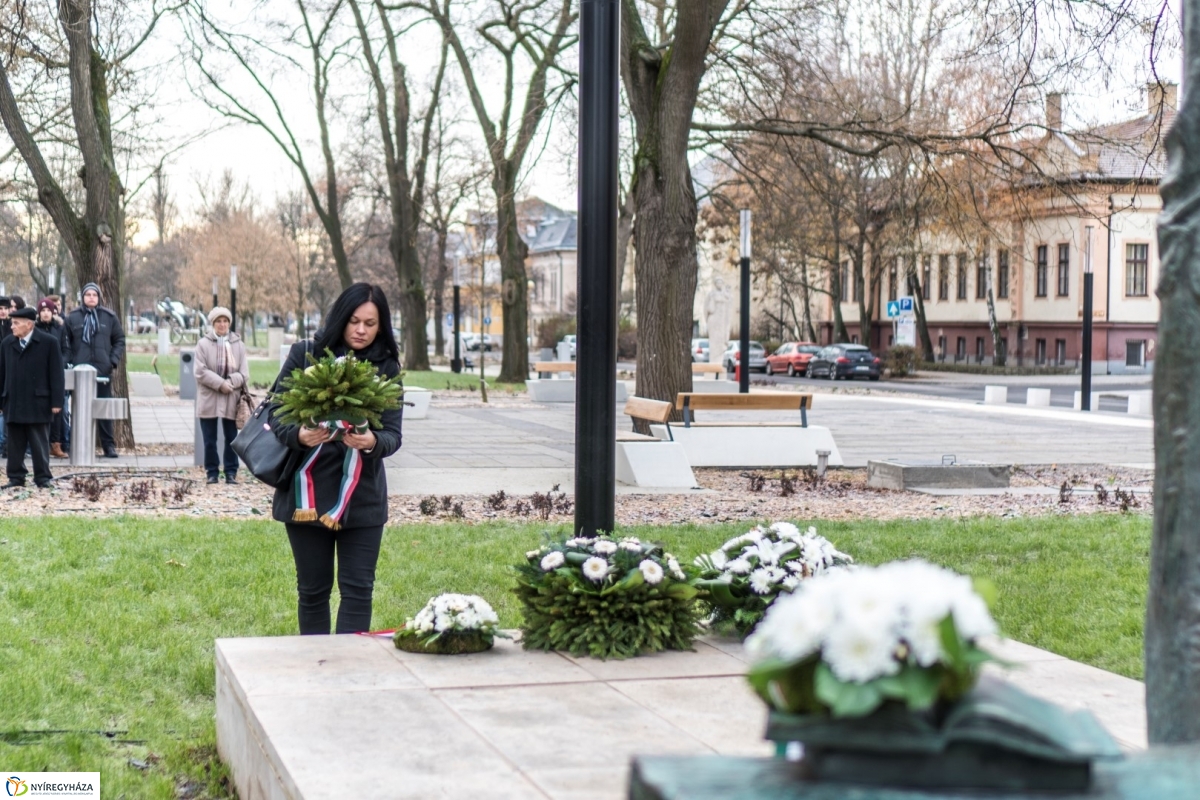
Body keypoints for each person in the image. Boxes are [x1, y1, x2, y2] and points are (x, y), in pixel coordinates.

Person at [269, 283, 403, 635]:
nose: (361, 330)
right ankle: (317, 672)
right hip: (306, 497)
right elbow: (276, 413)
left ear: (381, 326)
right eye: (354, 321)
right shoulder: (305, 353)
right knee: (312, 592)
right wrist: (299, 435)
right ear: (341, 318)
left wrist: (372, 441)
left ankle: (348, 676)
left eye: (370, 324)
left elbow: (393, 435)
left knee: (359, 592)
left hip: (362, 499)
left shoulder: (387, 366)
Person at [0, 308, 64, 488]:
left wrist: (57, 401)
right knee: (14, 443)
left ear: (29, 325)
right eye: (12, 323)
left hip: (38, 402)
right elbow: (1, 373)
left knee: (39, 442)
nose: (12, 326)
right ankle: (15, 477)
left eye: (16, 323)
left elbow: (56, 374)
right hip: (13, 401)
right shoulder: (7, 343)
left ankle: (42, 477)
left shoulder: (48, 342)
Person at [63, 283, 125, 458]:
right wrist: (70, 362)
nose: (91, 297)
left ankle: (108, 445)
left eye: (94, 295)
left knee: (104, 407)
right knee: (77, 408)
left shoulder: (109, 317)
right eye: (88, 294)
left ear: (98, 297)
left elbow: (119, 339)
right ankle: (75, 444)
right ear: (82, 297)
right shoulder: (72, 317)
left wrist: (112, 361)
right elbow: (65, 342)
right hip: (80, 370)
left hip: (102, 370)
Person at [194, 307, 248, 485]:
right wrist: (220, 383)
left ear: (229, 323)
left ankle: (231, 472)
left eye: (225, 321)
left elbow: (244, 373)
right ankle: (212, 472)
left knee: (232, 437)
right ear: (213, 324)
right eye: (218, 321)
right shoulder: (203, 344)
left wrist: (230, 382)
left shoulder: (238, 345)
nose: (222, 324)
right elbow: (200, 371)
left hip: (231, 397)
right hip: (209, 396)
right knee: (209, 439)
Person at [35, 299, 68, 459]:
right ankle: (42, 444)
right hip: (39, 374)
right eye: (43, 311)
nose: (46, 313)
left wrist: (58, 363)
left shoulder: (60, 328)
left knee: (58, 411)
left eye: (48, 310)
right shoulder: (34, 329)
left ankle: (56, 444)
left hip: (56, 374)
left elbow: (66, 349)